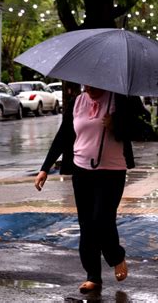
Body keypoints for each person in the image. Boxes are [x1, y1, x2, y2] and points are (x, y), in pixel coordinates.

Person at [34, 85, 135, 294]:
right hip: (82, 171)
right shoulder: (78, 102)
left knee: (102, 219)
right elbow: (63, 135)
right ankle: (93, 276)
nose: (88, 88)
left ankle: (116, 256)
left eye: (92, 85)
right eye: (85, 84)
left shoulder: (118, 100)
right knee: (87, 224)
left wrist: (116, 124)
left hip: (112, 171)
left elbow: (138, 129)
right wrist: (45, 168)